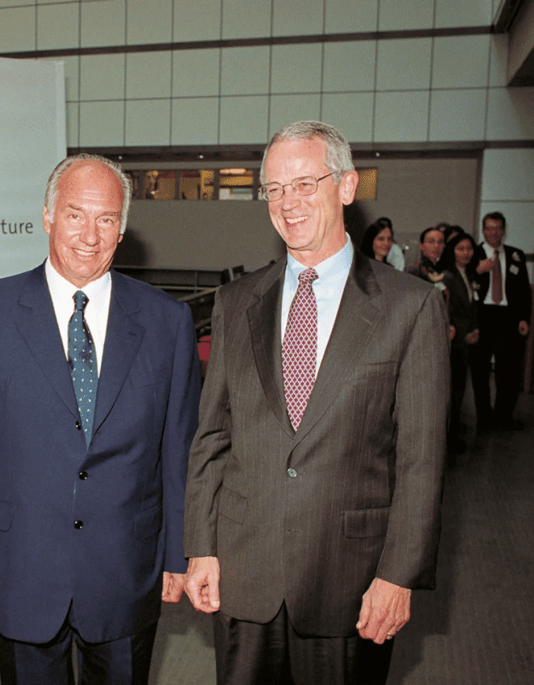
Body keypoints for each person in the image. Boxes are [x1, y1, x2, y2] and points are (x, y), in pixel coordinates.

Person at [183, 121, 449, 685]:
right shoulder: (236, 302)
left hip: (349, 582)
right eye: (274, 188)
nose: (288, 202)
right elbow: (213, 434)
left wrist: (398, 576)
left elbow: (421, 460)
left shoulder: (411, 307)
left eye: (305, 183)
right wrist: (200, 547)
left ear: (347, 186)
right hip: (244, 572)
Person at [0, 153, 200, 685]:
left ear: (123, 229)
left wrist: (179, 553)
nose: (89, 234)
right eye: (75, 214)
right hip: (19, 567)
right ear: (47, 216)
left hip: (127, 568)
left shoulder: (167, 321)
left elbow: (179, 450)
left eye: (106, 219)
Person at [471, 211, 532, 430]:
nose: (493, 232)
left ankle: (503, 416)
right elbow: (465, 284)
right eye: (489, 227)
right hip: (483, 316)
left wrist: (524, 318)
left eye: (498, 228)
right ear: (483, 230)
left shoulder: (515, 255)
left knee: (509, 371)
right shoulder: (472, 254)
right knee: (480, 370)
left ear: (503, 231)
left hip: (508, 318)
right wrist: (477, 271)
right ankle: (484, 418)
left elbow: (524, 291)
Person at [437, 232, 480, 451]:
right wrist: (463, 332)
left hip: (466, 339)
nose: (466, 253)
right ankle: (448, 439)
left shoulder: (468, 274)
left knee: (460, 389)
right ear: (452, 251)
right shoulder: (448, 275)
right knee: (452, 391)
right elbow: (448, 311)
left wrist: (475, 329)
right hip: (454, 341)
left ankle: (453, 434)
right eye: (461, 249)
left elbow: (471, 307)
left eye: (469, 249)